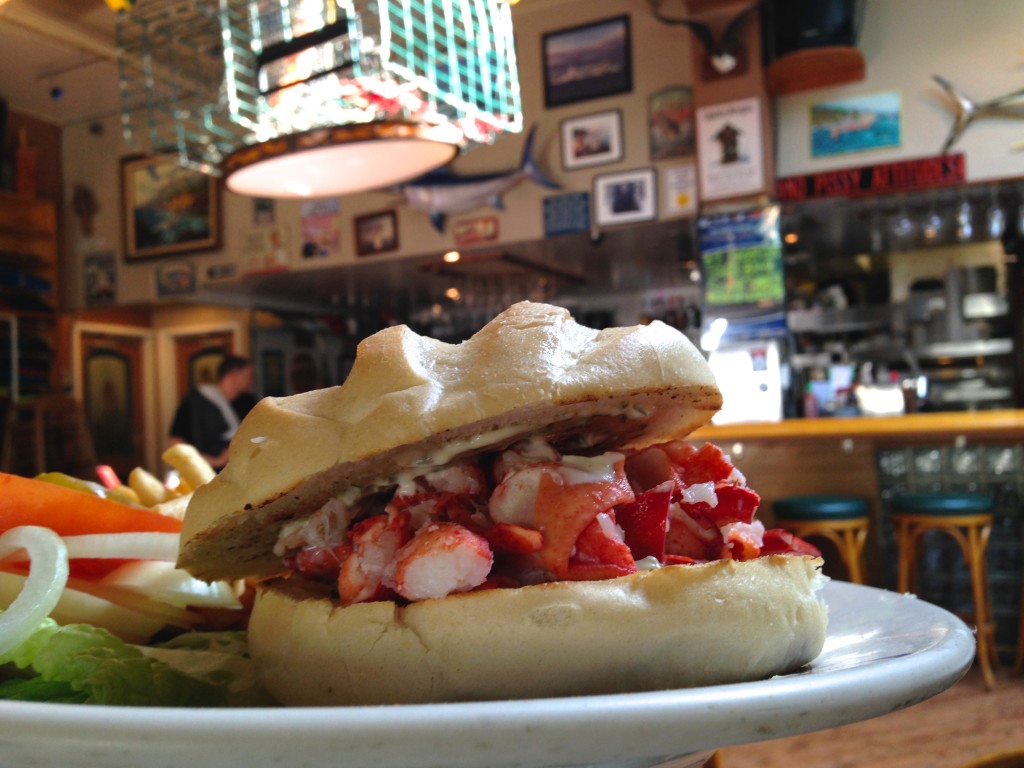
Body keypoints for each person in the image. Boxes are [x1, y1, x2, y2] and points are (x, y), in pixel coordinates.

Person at [168, 354, 254, 470]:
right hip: (205, 474)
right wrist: (214, 461)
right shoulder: (197, 401)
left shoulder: (247, 402)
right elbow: (176, 442)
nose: (251, 381)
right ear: (233, 376)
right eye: (248, 376)